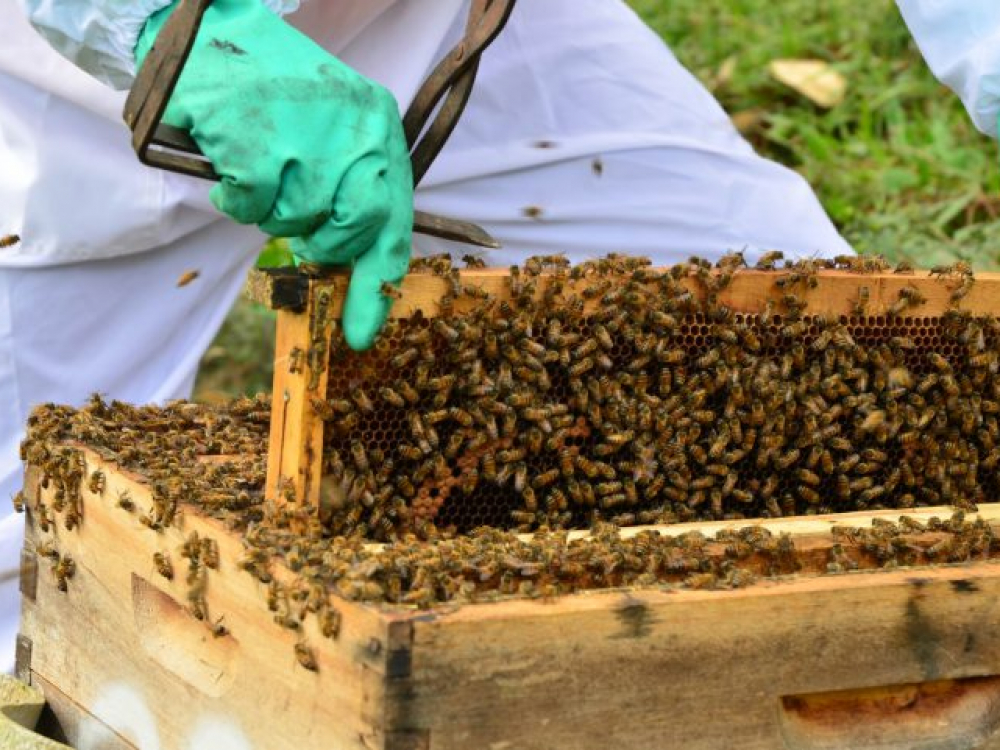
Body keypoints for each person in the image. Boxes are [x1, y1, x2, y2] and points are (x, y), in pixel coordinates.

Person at [0, 0, 986, 679]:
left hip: (455, 33)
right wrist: (168, 29)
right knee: (24, 575)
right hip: (60, 88)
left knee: (822, 377)